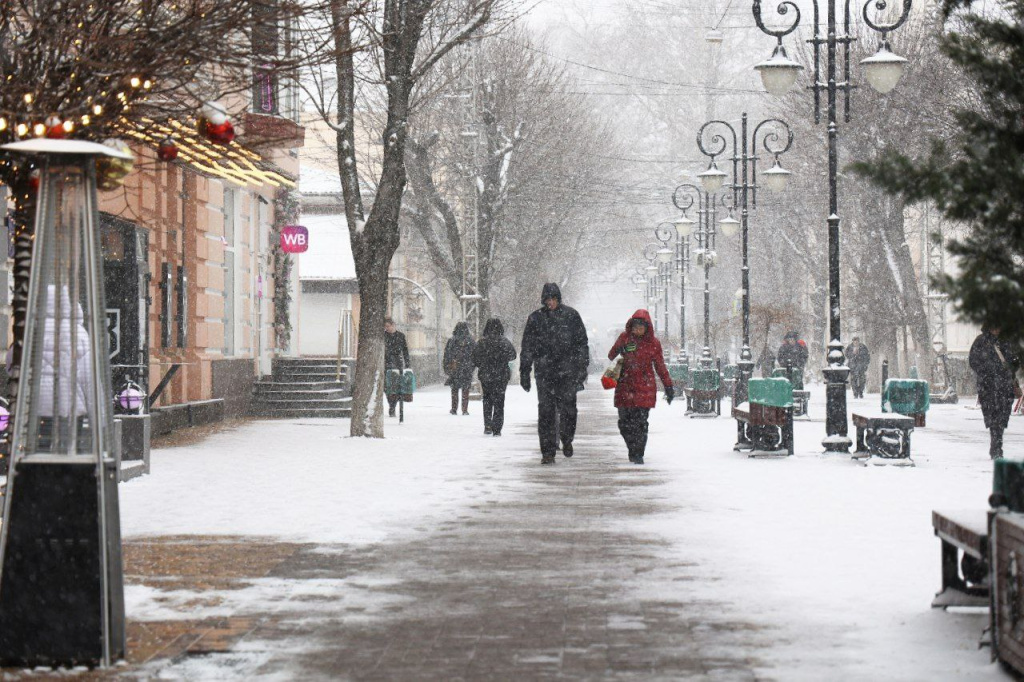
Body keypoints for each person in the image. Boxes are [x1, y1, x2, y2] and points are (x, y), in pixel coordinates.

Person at [520, 283, 590, 465]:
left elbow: (582, 344)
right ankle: (548, 451)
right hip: (545, 373)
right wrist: (525, 371)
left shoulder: (571, 316)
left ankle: (567, 439)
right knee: (546, 413)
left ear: (558, 299)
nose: (550, 303)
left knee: (569, 409)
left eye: (553, 299)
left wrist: (582, 367)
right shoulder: (535, 318)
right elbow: (527, 347)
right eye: (548, 300)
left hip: (567, 372)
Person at [608, 310, 674, 465]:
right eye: (635, 327)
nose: (637, 330)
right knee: (624, 423)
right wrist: (622, 350)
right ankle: (632, 447)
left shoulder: (654, 344)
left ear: (646, 327)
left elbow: (660, 366)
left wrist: (668, 386)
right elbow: (611, 355)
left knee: (640, 423)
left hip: (645, 388)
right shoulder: (624, 338)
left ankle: (638, 453)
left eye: (640, 327)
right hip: (624, 387)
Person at [969, 324, 1019, 459]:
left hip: (1005, 385)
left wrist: (1010, 368)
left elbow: (1016, 360)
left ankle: (996, 445)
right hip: (988, 386)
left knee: (1002, 417)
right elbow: (973, 361)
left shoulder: (1008, 341)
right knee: (992, 416)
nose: (997, 329)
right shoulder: (981, 341)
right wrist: (988, 371)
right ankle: (996, 445)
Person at [473, 318, 517, 436]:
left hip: (486, 375)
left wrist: (483, 364)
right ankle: (497, 428)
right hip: (501, 376)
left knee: (487, 399)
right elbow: (513, 355)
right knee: (499, 400)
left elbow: (475, 358)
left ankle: (487, 425)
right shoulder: (504, 342)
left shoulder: (481, 342)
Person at [444, 322, 476, 416]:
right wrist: (471, 367)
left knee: (454, 389)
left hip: (455, 368)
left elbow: (447, 355)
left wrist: (447, 367)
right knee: (466, 389)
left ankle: (454, 409)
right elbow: (475, 355)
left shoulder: (452, 340)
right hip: (467, 369)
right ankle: (464, 410)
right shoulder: (471, 341)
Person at [384, 318, 410, 418]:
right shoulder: (383, 336)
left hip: (398, 363)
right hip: (386, 363)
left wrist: (407, 364)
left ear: (393, 325)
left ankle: (393, 406)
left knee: (396, 387)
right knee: (387, 387)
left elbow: (405, 350)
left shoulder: (400, 336)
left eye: (388, 326)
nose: (386, 328)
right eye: (385, 327)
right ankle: (392, 405)